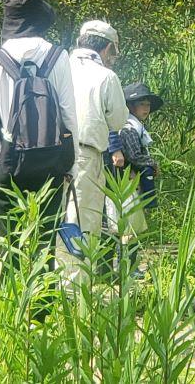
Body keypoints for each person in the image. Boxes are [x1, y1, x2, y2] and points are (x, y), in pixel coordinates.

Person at [0, 0, 77, 251]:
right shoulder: (58, 55)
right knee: (45, 248)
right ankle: (46, 293)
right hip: (51, 163)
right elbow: (69, 115)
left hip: (8, 164)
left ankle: (12, 293)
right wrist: (71, 165)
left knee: (9, 247)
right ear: (39, 16)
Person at [65, 20, 129, 249]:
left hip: (50, 155)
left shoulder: (59, 67)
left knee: (53, 220)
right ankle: (74, 284)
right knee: (83, 221)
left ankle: (51, 282)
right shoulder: (105, 76)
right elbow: (119, 120)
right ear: (107, 48)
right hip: (85, 155)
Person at [103, 82, 164, 273]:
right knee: (129, 226)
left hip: (127, 182)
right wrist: (152, 163)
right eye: (141, 104)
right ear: (130, 106)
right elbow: (134, 155)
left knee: (127, 226)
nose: (146, 108)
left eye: (147, 105)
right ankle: (128, 268)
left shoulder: (132, 125)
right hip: (126, 183)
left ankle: (123, 267)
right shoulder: (129, 127)